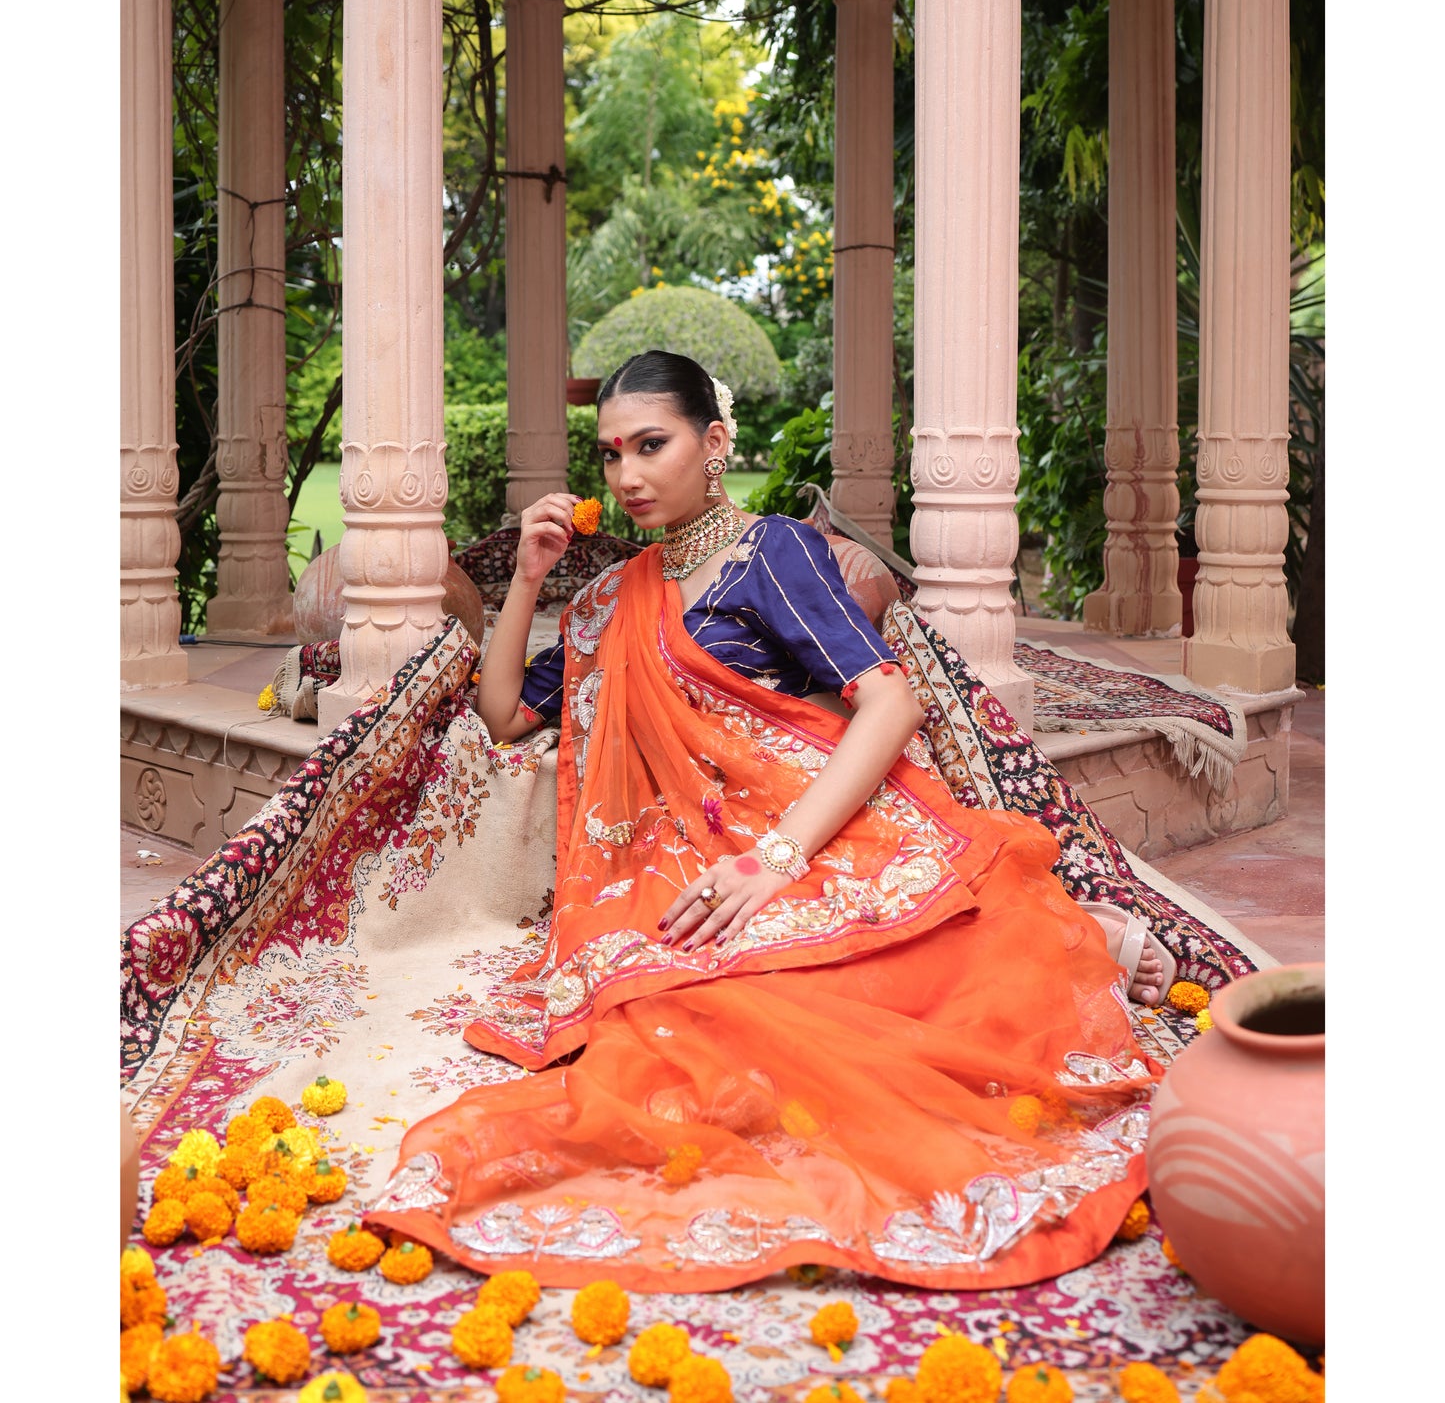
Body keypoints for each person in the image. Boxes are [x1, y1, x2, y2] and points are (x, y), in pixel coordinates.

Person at [366, 351, 1160, 1292]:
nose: (626, 476)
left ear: (713, 443)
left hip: (799, 828)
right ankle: (1042, 940)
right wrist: (530, 582)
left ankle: (1049, 938)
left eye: (651, 446)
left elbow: (888, 705)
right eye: (611, 452)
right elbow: (504, 717)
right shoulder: (613, 598)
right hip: (673, 861)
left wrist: (773, 862)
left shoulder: (770, 551)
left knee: (832, 1000)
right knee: (680, 1011)